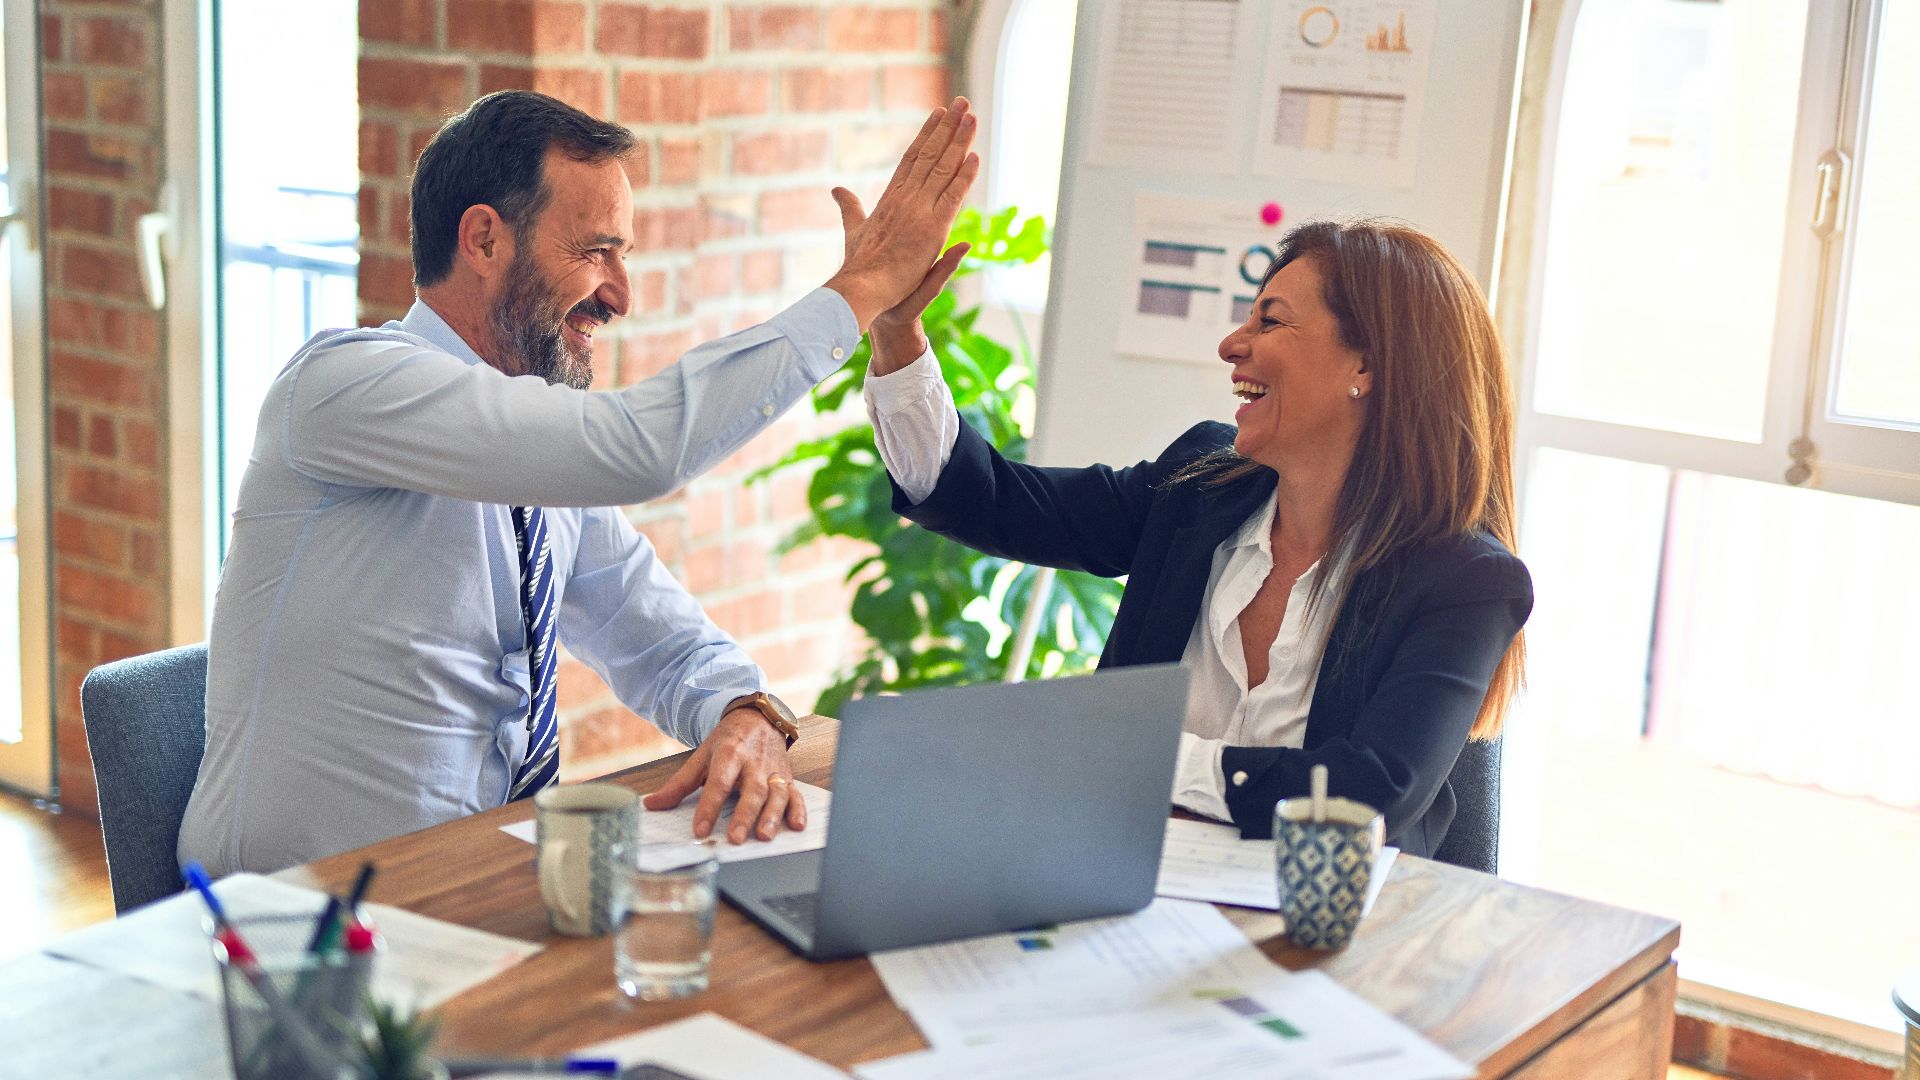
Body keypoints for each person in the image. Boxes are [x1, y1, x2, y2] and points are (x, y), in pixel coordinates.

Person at [179, 90, 978, 875]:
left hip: (475, 889)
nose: (621, 295)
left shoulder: (537, 462)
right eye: (597, 250)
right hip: (293, 925)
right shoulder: (344, 386)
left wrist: (746, 711)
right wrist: (862, 289)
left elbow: (659, 637)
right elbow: (641, 448)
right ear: (485, 241)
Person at [861, 219, 1531, 857]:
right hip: (1124, 888)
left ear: (1367, 366)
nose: (1232, 345)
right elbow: (991, 501)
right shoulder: (1199, 488)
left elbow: (1366, 796)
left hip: (1331, 940)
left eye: (1269, 320)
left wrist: (1140, 757)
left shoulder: (1465, 581)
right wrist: (897, 332)